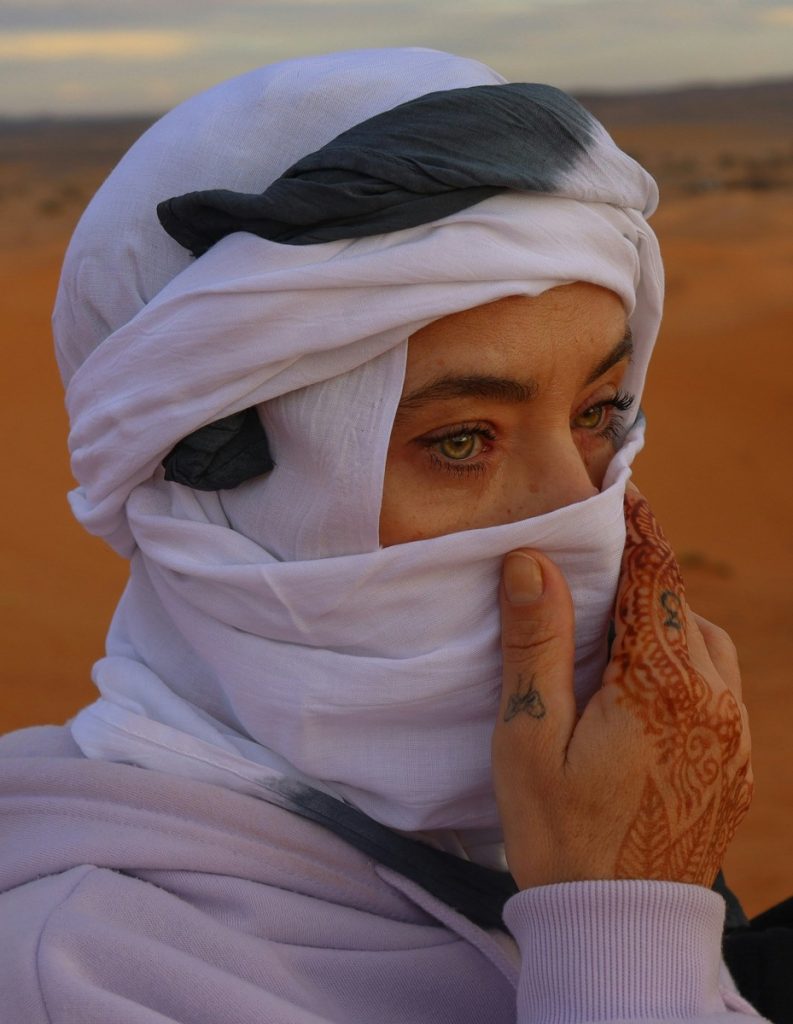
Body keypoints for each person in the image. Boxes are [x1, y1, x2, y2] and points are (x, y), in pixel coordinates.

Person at [0, 48, 764, 1022]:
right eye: (460, 441)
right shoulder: (80, 971)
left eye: (598, 413)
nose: (578, 506)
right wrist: (624, 931)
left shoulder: (569, 822)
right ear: (212, 486)